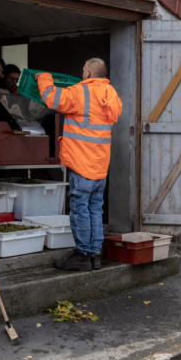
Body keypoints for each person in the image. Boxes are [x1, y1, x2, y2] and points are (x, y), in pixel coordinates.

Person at [35, 58, 122, 271]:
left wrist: (43, 78)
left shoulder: (79, 93)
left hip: (82, 165)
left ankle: (82, 255)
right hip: (100, 167)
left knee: (80, 210)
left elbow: (51, 98)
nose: (82, 74)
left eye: (84, 70)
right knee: (94, 211)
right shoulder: (110, 94)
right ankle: (94, 255)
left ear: (89, 73)